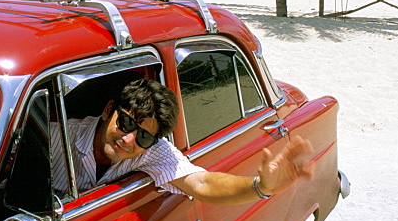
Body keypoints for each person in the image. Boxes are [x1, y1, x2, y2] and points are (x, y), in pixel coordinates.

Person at [51, 77, 313, 204]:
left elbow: (201, 182)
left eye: (142, 135)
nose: (128, 139)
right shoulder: (56, 136)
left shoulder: (151, 150)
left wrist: (261, 186)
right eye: (126, 123)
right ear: (109, 110)